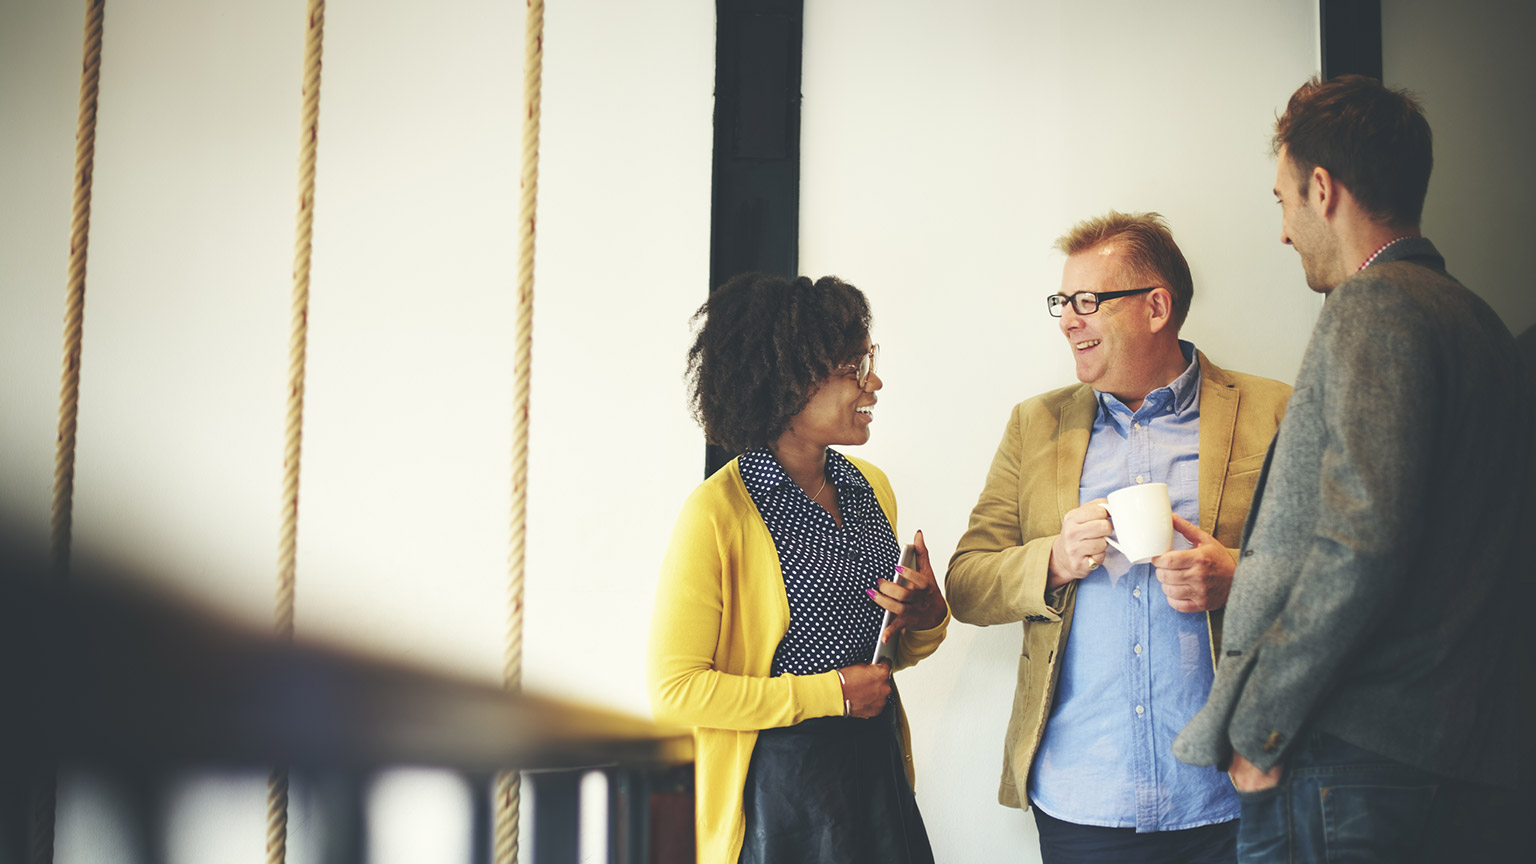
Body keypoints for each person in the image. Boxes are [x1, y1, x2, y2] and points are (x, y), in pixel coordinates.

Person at [1173, 75, 1531, 863]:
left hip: (1353, 768)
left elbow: (1361, 541)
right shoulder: (1483, 326)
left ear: (1323, 189)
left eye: (1282, 201)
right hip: (1462, 759)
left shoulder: (1376, 306)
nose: (1282, 231)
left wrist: (1263, 728)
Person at [947, 212, 1291, 863]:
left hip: (1228, 794)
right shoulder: (1035, 424)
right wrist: (1050, 559)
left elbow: (1334, 574)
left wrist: (1236, 577)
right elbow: (966, 584)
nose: (1067, 320)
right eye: (1062, 302)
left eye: (1087, 301)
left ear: (1156, 306)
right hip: (1082, 800)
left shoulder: (1275, 410)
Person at [647, 273, 950, 864]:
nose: (874, 382)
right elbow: (675, 692)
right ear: (790, 382)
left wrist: (927, 617)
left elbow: (882, 655)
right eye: (853, 367)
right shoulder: (718, 513)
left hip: (876, 768)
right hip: (782, 793)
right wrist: (830, 694)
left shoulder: (871, 490)